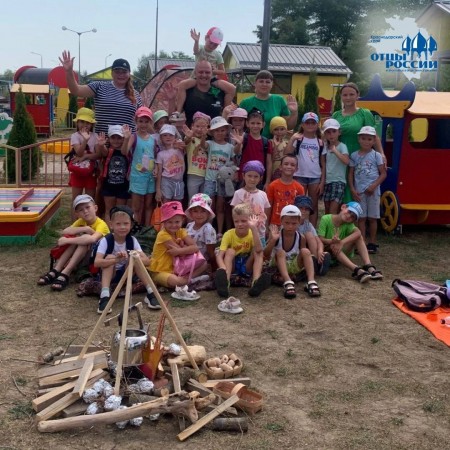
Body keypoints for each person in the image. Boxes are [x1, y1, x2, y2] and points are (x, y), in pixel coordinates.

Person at [37, 195, 109, 291]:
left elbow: (92, 239)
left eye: (88, 207)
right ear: (77, 214)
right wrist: (85, 228)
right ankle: (57, 269)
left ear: (95, 208)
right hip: (84, 256)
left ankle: (66, 272)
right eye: (81, 210)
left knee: (83, 239)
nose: (85, 211)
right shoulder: (81, 221)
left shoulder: (101, 224)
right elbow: (66, 231)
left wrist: (67, 240)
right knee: (78, 239)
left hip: (96, 259)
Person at [93, 206, 158, 313]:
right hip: (110, 275)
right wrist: (116, 260)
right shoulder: (106, 240)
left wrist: (132, 256)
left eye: (126, 223)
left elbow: (147, 261)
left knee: (136, 259)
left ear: (131, 225)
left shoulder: (132, 240)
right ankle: (104, 296)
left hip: (127, 274)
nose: (122, 227)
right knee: (109, 257)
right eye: (118, 224)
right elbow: (97, 262)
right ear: (111, 225)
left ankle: (150, 293)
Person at [59, 52, 142, 134]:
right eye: (117, 72)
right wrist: (69, 71)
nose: (121, 75)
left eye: (124, 72)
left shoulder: (136, 95)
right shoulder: (99, 86)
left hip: (128, 141)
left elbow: (142, 118)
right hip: (102, 141)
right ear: (112, 73)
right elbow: (76, 90)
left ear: (129, 74)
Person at [332, 82, 385, 202]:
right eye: (345, 95)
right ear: (341, 96)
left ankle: (357, 211)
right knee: (340, 185)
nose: (348, 97)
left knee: (357, 184)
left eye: (351, 94)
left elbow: (374, 136)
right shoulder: (336, 115)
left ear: (357, 95)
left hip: (360, 156)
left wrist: (381, 154)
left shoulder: (364, 113)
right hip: (340, 156)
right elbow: (329, 135)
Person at [215, 203, 272, 298]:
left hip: (247, 265)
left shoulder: (252, 233)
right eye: (236, 221)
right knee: (230, 251)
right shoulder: (228, 234)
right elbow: (220, 256)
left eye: (243, 221)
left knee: (258, 251)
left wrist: (254, 228)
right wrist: (223, 269)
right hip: (232, 266)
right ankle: (225, 282)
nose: (240, 224)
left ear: (250, 220)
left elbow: (259, 250)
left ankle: (256, 282)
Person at [318, 201, 383, 283]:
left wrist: (341, 242)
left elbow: (358, 232)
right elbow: (320, 239)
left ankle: (368, 265)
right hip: (327, 251)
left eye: (353, 217)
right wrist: (332, 241)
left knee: (358, 237)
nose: (349, 216)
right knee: (334, 245)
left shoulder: (348, 224)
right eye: (349, 212)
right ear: (343, 207)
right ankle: (356, 269)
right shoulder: (325, 219)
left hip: (339, 251)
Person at [264, 205, 320, 299]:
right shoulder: (276, 235)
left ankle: (311, 281)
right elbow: (266, 255)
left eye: (294, 223)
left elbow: (302, 255)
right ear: (281, 221)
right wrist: (273, 240)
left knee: (306, 251)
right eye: (287, 223)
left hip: (293, 265)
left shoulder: (301, 237)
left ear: (299, 222)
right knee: (281, 252)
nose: (290, 226)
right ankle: (288, 282)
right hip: (278, 265)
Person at [149, 201, 208, 289]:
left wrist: (180, 250)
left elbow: (195, 247)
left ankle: (187, 279)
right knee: (176, 282)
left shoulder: (181, 231)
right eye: (170, 222)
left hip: (178, 267)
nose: (174, 225)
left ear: (182, 220)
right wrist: (184, 248)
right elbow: (183, 254)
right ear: (164, 222)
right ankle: (192, 280)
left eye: (177, 222)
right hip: (160, 270)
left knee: (204, 264)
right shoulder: (162, 235)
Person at [348, 126, 387, 254]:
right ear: (359, 139)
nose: (366, 141)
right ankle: (362, 242)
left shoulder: (376, 155)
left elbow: (383, 174)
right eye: (363, 138)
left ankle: (372, 242)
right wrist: (352, 189)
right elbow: (351, 173)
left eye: (369, 139)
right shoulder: (354, 155)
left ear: (374, 140)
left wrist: (373, 186)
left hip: (373, 192)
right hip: (359, 192)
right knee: (361, 218)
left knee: (372, 218)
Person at [286, 112, 324, 227]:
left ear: (317, 125)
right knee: (298, 204)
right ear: (302, 124)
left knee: (313, 205)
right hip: (299, 175)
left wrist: (322, 181)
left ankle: (311, 229)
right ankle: (297, 228)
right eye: (307, 122)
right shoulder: (298, 139)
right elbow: (287, 153)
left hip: (315, 176)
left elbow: (323, 163)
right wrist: (292, 138)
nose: (310, 125)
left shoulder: (320, 142)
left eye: (313, 123)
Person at [204, 116, 240, 238]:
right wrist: (203, 134)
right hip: (210, 179)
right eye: (216, 130)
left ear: (226, 131)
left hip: (223, 181)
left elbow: (236, 152)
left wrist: (239, 143)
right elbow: (203, 145)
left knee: (220, 206)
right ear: (212, 132)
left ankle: (219, 232)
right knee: (209, 206)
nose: (219, 133)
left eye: (222, 130)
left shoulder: (229, 147)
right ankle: (208, 229)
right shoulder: (210, 143)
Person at [122, 107, 156, 225]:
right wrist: (126, 139)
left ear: (150, 122)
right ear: (136, 121)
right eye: (141, 121)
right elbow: (124, 152)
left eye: (146, 121)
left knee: (148, 205)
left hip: (150, 177)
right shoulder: (133, 137)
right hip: (137, 176)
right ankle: (136, 229)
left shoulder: (153, 139)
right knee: (136, 206)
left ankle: (146, 228)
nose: (143, 124)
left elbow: (155, 156)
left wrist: (156, 168)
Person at [239, 70, 298, 138]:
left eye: (268, 82)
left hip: (274, 142)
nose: (264, 84)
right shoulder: (245, 103)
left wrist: (294, 113)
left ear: (272, 84)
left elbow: (289, 126)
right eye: (261, 81)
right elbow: (238, 125)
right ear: (255, 83)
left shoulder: (279, 100)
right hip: (251, 142)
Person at [178, 61, 236, 127]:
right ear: (195, 73)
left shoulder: (220, 92)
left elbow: (227, 117)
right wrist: (171, 100)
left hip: (215, 132)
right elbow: (175, 115)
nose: (204, 75)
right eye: (201, 72)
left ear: (212, 73)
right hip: (191, 133)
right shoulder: (186, 91)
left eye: (207, 72)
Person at [230, 160, 270, 246]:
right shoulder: (238, 193)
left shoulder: (263, 194)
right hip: (243, 234)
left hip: (259, 234)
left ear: (261, 178)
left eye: (256, 176)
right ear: (243, 176)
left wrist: (266, 228)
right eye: (249, 176)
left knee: (258, 252)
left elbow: (266, 213)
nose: (252, 179)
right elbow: (234, 214)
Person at [97, 125, 130, 225]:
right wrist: (101, 145)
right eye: (113, 138)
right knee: (109, 209)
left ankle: (118, 229)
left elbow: (125, 151)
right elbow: (104, 152)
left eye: (119, 138)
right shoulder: (109, 151)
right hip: (109, 185)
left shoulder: (126, 151)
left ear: (123, 138)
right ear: (109, 139)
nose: (116, 141)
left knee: (120, 210)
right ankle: (109, 230)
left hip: (123, 185)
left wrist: (127, 139)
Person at [68, 107, 101, 210]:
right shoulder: (75, 136)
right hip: (77, 172)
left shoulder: (95, 136)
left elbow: (98, 154)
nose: (84, 125)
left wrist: (86, 156)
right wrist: (85, 140)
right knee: (75, 200)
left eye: (88, 122)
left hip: (91, 172)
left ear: (92, 124)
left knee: (90, 200)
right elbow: (79, 152)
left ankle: (90, 219)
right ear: (77, 122)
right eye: (82, 121)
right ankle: (75, 220)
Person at [234, 108, 273, 188]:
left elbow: (269, 163)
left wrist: (267, 181)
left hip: (259, 179)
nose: (255, 126)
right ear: (247, 123)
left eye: (258, 123)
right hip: (243, 178)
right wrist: (239, 144)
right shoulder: (243, 138)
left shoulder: (266, 142)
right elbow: (236, 152)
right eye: (252, 123)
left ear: (263, 124)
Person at [294, 195, 331, 276]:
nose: (303, 211)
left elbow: (319, 241)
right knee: (307, 235)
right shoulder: (291, 222)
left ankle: (317, 261)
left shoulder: (308, 224)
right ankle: (314, 264)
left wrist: (320, 251)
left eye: (306, 209)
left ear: (309, 212)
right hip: (295, 250)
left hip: (306, 250)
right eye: (301, 208)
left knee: (310, 235)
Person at [267, 154, 305, 226]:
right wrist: (266, 225)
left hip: (292, 225)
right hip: (275, 224)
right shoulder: (272, 186)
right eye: (286, 164)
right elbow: (268, 207)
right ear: (280, 167)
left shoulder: (299, 188)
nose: (289, 167)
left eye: (292, 165)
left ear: (296, 169)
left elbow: (301, 209)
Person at [321, 118, 350, 214]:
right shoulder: (325, 147)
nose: (331, 134)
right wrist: (322, 182)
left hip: (338, 181)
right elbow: (323, 164)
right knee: (327, 210)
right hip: (328, 182)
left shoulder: (342, 146)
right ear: (325, 134)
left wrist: (335, 151)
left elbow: (346, 161)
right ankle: (327, 224)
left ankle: (334, 224)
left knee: (333, 210)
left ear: (339, 132)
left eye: (334, 131)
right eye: (328, 132)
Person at [185, 193, 217, 270]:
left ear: (208, 213)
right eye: (195, 211)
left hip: (201, 262)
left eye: (203, 211)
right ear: (191, 213)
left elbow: (211, 252)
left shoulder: (207, 229)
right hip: (187, 257)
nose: (199, 215)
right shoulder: (189, 225)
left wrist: (213, 267)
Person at [182, 112, 210, 200]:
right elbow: (186, 142)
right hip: (193, 174)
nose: (199, 129)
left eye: (203, 127)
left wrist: (204, 136)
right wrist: (188, 137)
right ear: (192, 126)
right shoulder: (191, 139)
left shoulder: (208, 142)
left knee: (203, 201)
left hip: (205, 176)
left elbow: (203, 146)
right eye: (197, 126)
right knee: (192, 199)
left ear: (207, 128)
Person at [155, 124, 185, 203]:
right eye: (165, 135)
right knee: (166, 203)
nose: (168, 137)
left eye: (171, 135)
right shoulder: (160, 154)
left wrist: (177, 143)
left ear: (175, 137)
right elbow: (159, 172)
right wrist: (158, 190)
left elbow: (184, 143)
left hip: (179, 181)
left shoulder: (180, 149)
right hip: (166, 181)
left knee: (177, 204)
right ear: (161, 138)